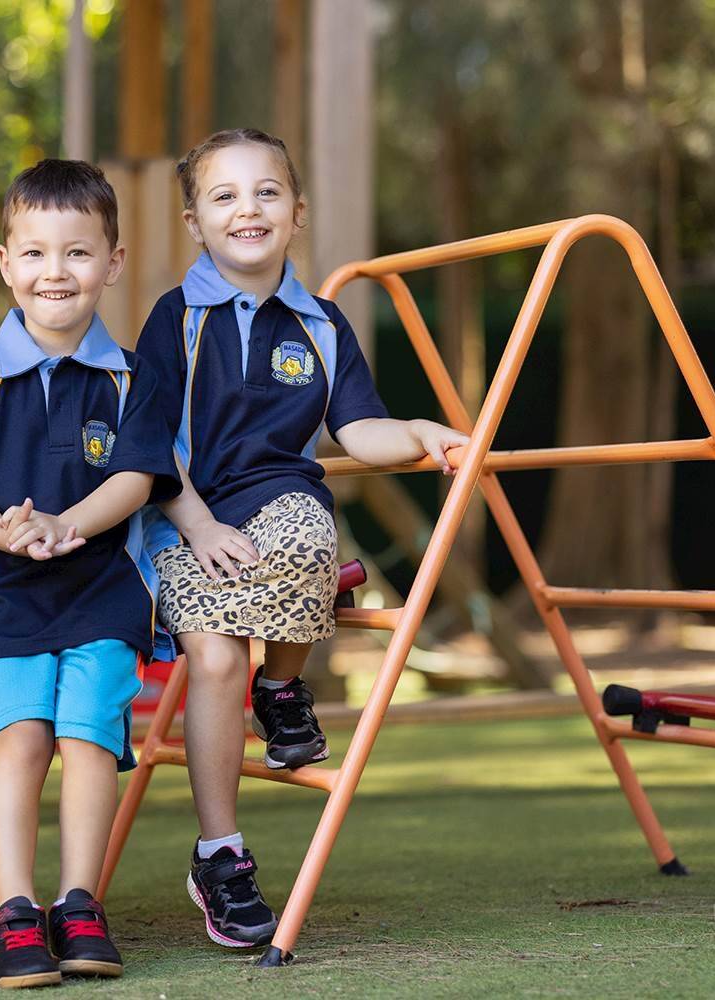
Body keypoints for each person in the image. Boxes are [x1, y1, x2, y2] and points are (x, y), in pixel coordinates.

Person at [135, 128, 470, 949]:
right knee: (213, 656)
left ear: (298, 213)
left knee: (311, 532)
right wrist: (200, 522)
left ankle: (279, 687)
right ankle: (220, 854)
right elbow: (148, 444)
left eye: (267, 193)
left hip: (273, 500)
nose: (247, 209)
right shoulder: (175, 317)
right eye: (224, 196)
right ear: (194, 222)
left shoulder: (320, 325)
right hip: (180, 509)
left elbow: (358, 431)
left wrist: (426, 433)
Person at [0, 159, 179, 988]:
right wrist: (2, 530)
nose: (54, 272)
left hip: (105, 592)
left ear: (113, 261)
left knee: (90, 739)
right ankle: (16, 911)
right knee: (22, 741)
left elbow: (137, 480)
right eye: (34, 254)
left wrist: (70, 524)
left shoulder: (134, 377)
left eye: (76, 253)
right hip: (2, 594)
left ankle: (79, 903)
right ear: (6, 264)